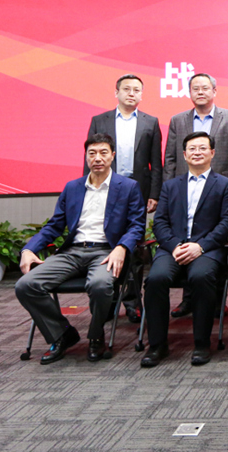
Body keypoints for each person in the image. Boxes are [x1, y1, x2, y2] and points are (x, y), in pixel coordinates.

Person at [16, 134, 145, 364]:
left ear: (112, 156)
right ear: (86, 157)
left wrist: (122, 247)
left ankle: (96, 336)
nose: (98, 158)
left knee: (99, 285)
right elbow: (54, 225)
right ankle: (62, 334)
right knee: (26, 285)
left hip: (106, 251)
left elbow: (137, 225)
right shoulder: (73, 187)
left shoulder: (128, 187)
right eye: (92, 153)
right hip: (73, 252)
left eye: (103, 153)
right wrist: (28, 249)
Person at [141, 131, 228, 367]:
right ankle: (157, 344)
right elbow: (159, 222)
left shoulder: (225, 185)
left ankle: (202, 343)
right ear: (184, 155)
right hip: (172, 248)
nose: (197, 152)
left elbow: (226, 223)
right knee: (155, 279)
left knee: (201, 277)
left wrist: (200, 246)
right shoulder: (170, 186)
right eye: (192, 149)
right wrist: (175, 246)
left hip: (207, 249)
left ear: (212, 153)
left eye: (202, 148)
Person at [163, 73, 228, 318]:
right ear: (189, 92)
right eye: (195, 88)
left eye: (205, 88)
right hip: (184, 190)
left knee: (213, 243)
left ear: (214, 91)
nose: (200, 92)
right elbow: (170, 158)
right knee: (186, 239)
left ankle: (216, 301)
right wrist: (167, 191)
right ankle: (188, 300)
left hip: (219, 192)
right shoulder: (178, 120)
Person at [84, 74, 163, 322]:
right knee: (106, 242)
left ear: (141, 94)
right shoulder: (100, 120)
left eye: (136, 90)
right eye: (126, 89)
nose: (131, 93)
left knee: (135, 247)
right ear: (116, 92)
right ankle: (107, 299)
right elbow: (90, 159)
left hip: (137, 190)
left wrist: (154, 194)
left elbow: (156, 163)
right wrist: (87, 190)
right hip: (106, 189)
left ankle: (132, 301)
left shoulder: (151, 122)